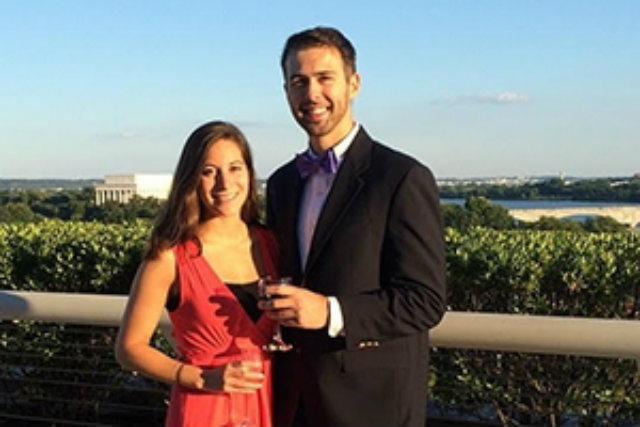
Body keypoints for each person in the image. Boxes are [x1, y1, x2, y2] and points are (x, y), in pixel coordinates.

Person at [262, 27, 447, 426]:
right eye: (299, 82)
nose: (311, 94)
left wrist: (330, 312)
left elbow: (425, 300)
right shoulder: (281, 184)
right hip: (293, 400)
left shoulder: (401, 177)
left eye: (324, 78)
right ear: (286, 91)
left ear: (354, 83)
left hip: (372, 407)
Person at [115, 121, 279, 427]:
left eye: (235, 168)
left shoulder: (272, 245)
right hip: (205, 412)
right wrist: (199, 377)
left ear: (249, 173)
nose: (224, 183)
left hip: (267, 406)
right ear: (191, 179)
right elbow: (129, 349)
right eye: (209, 171)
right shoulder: (169, 258)